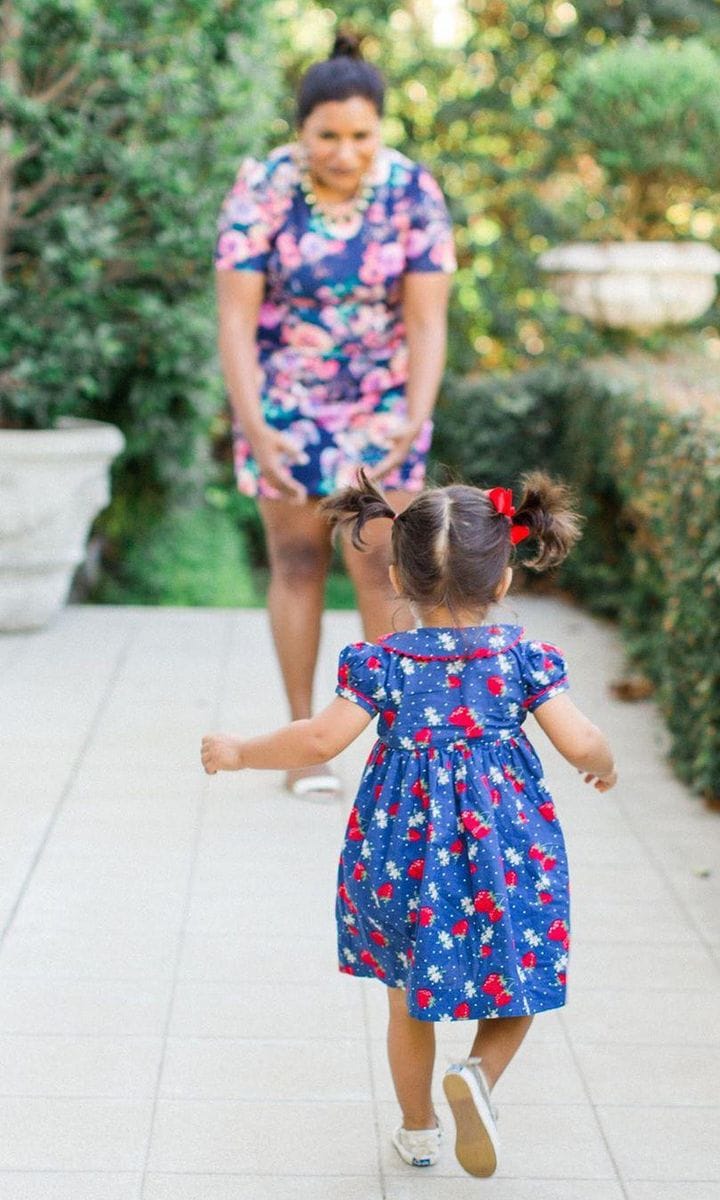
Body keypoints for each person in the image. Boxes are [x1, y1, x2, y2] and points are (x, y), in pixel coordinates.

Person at [201, 470, 617, 1177]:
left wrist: (242, 753)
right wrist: (603, 762)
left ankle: (419, 1130)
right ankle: (477, 1079)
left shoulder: (380, 663)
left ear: (396, 574)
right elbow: (580, 742)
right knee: (522, 981)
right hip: (506, 852)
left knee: (407, 1001)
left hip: (402, 855)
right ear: (506, 579)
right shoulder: (522, 660)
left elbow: (317, 743)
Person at [214, 31, 455, 797]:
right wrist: (253, 426)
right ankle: (304, 741)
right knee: (294, 562)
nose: (344, 152)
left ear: (379, 130)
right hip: (280, 400)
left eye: (361, 135)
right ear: (301, 130)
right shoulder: (262, 188)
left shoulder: (413, 192)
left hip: (381, 402)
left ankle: (401, 746)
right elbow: (234, 322)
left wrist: (410, 423)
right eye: (327, 135)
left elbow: (426, 322)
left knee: (384, 569)